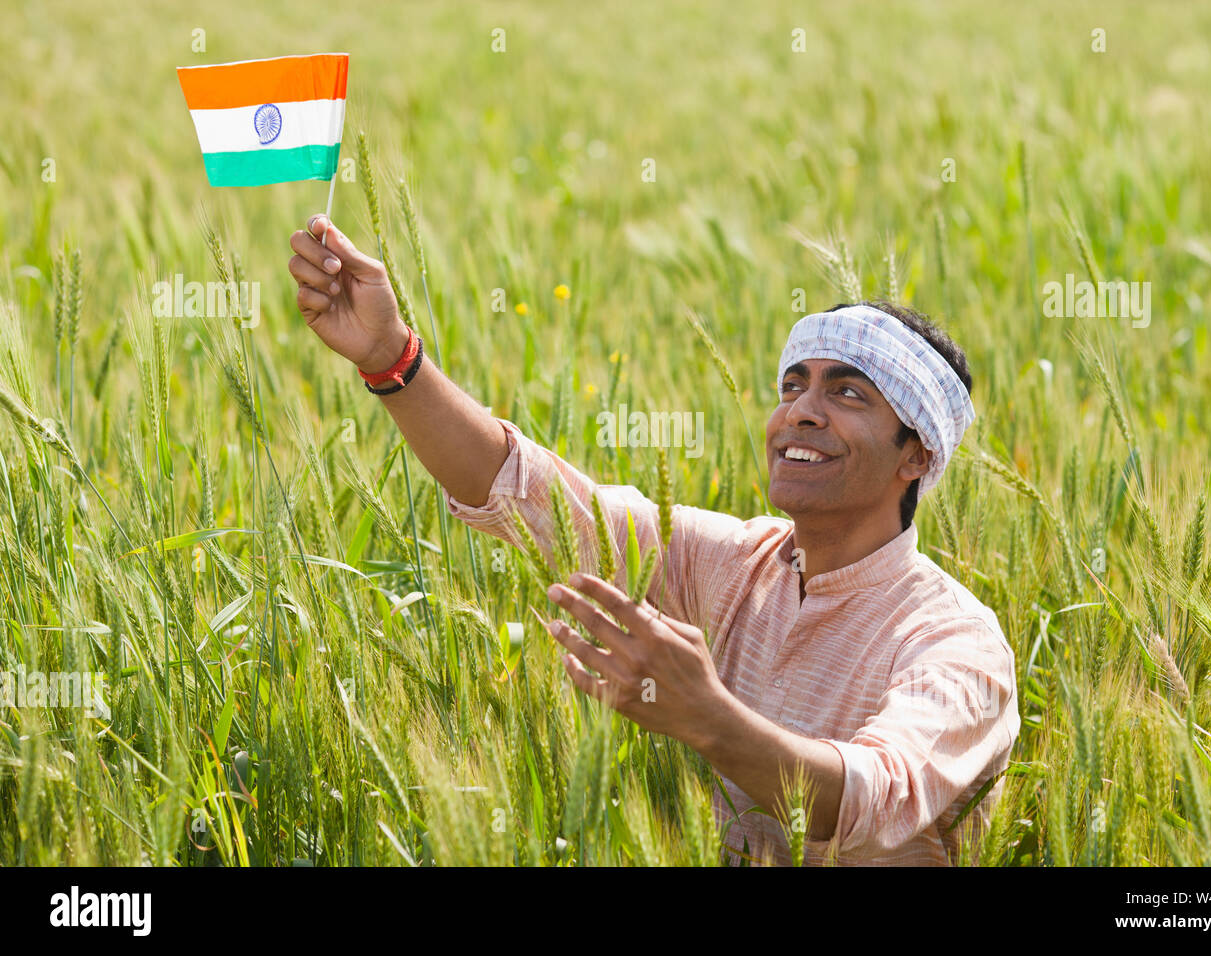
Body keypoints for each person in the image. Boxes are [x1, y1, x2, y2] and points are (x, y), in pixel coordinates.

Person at [288, 214, 1021, 866]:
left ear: (916, 455)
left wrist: (709, 717)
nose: (800, 412)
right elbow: (529, 493)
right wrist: (390, 359)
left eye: (848, 393)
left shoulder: (957, 647)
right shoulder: (734, 564)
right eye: (793, 386)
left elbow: (877, 798)